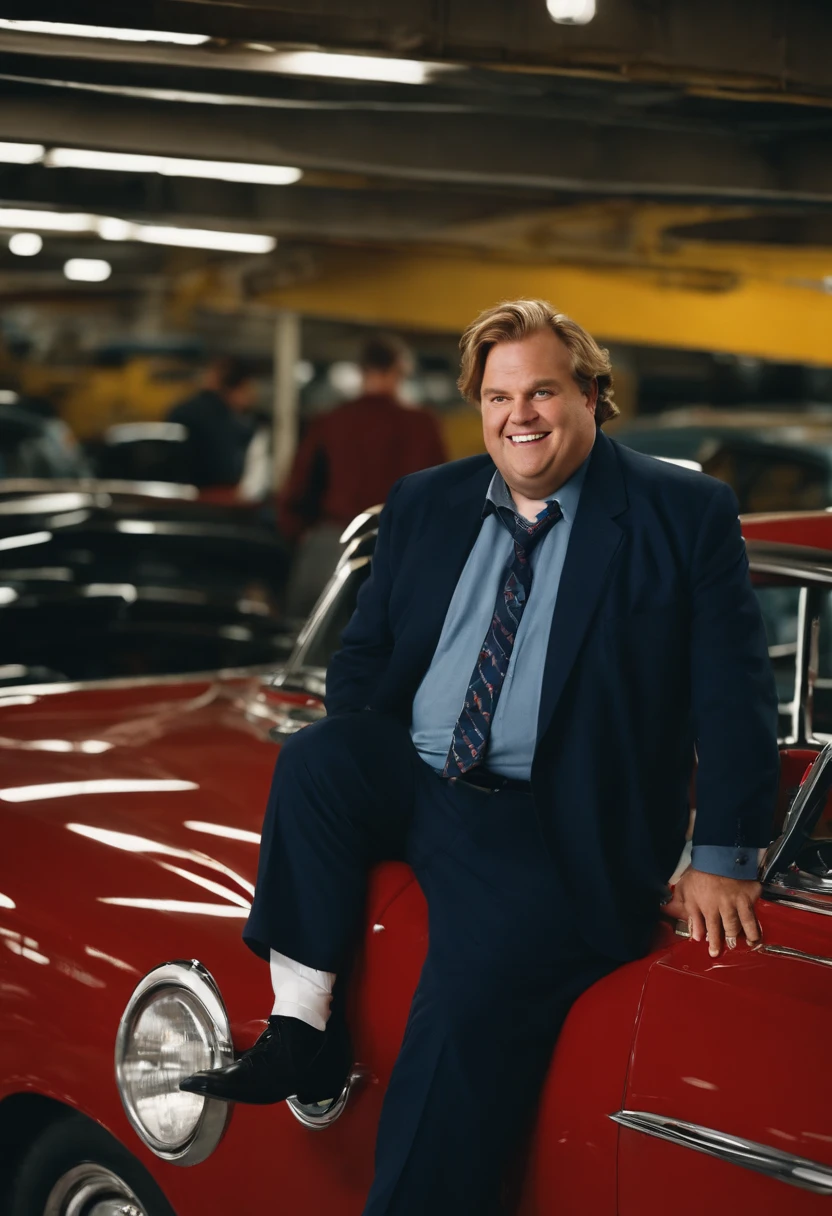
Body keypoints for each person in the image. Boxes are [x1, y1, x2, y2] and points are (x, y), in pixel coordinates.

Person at [182, 300, 779, 1215]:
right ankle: (301, 1024)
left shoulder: (681, 512)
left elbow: (734, 694)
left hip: (544, 821)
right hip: (423, 779)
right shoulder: (429, 500)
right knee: (321, 759)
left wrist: (725, 858)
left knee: (461, 1024)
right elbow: (367, 654)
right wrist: (366, 733)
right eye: (499, 396)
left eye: (542, 390)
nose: (519, 416)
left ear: (590, 394)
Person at [279, 333, 447, 616]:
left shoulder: (330, 422)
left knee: (314, 644)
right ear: (399, 371)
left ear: (361, 370)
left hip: (335, 547)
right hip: (402, 551)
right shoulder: (422, 426)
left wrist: (297, 536)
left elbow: (297, 492)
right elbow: (440, 496)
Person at [167, 356, 256, 488]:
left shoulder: (180, 410)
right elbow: (228, 472)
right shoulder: (224, 419)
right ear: (238, 388)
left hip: (174, 497)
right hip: (209, 501)